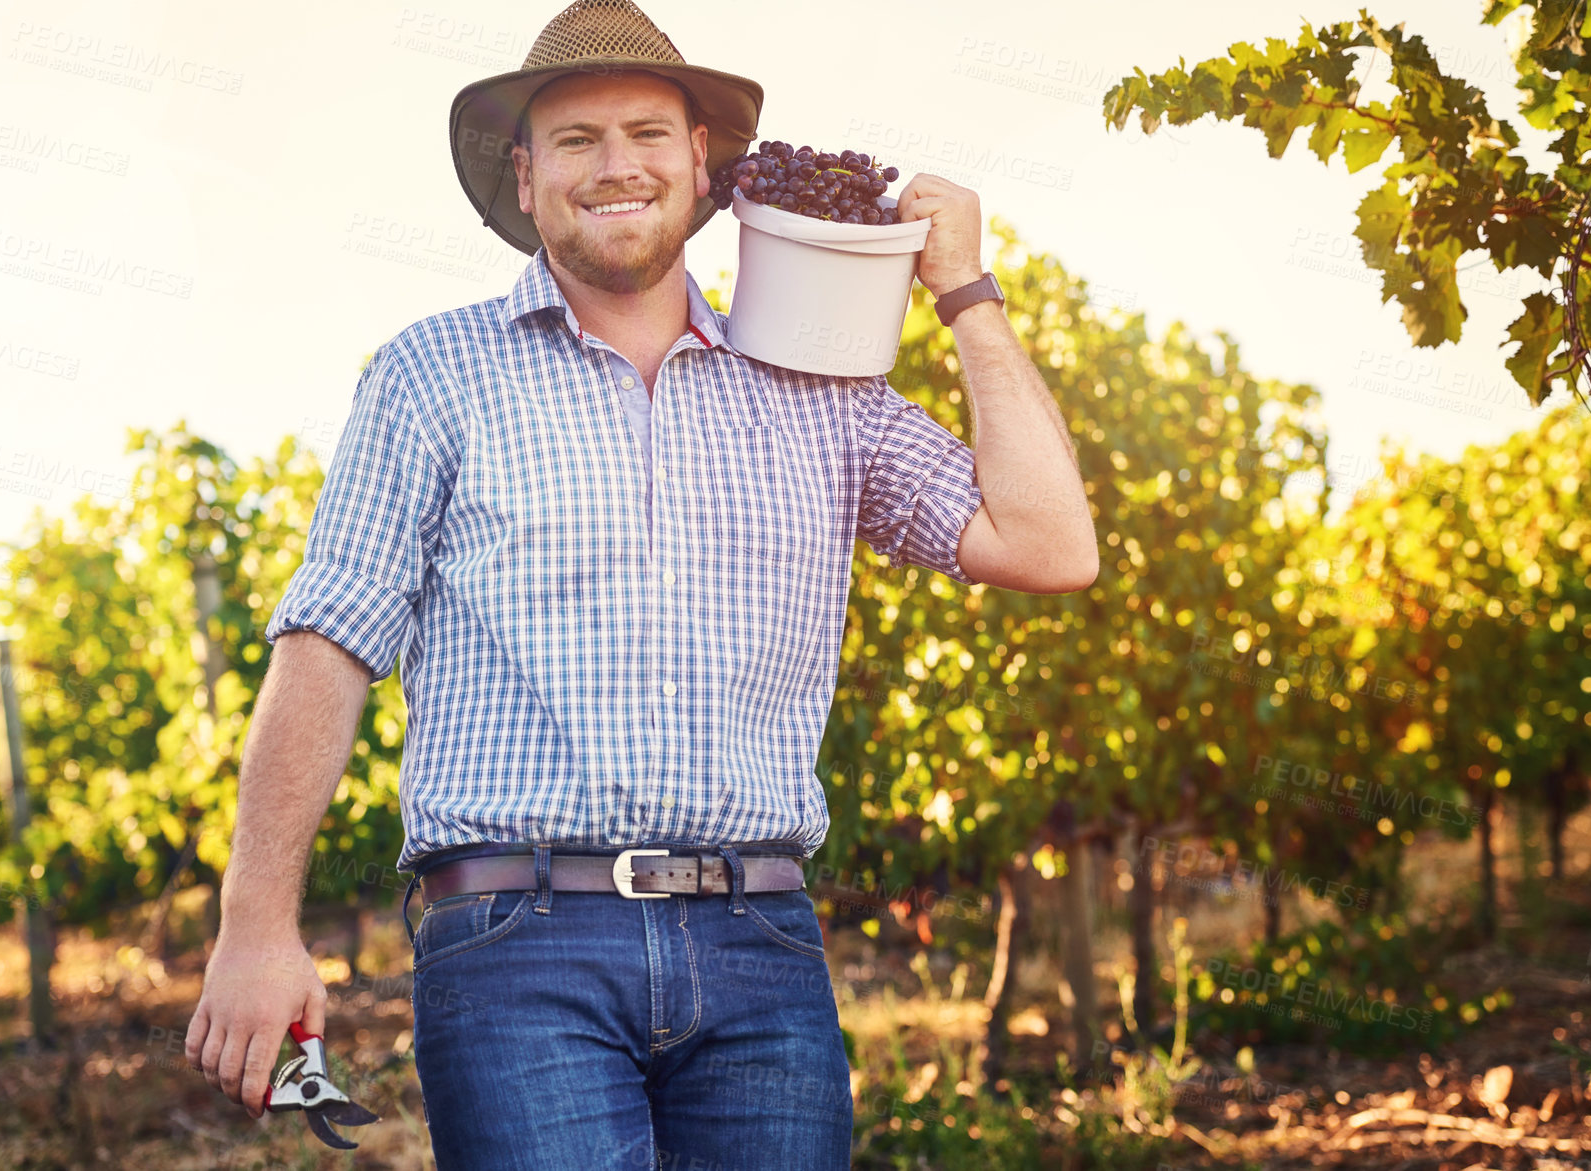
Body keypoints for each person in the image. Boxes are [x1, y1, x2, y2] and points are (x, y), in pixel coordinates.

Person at [184, 1, 1097, 1167]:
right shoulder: (432, 376)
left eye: (646, 134)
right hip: (519, 944)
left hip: (759, 942)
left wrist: (966, 295)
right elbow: (329, 641)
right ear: (523, 180)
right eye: (574, 140)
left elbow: (1050, 545)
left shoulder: (820, 392)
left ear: (702, 165)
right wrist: (256, 922)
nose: (616, 165)